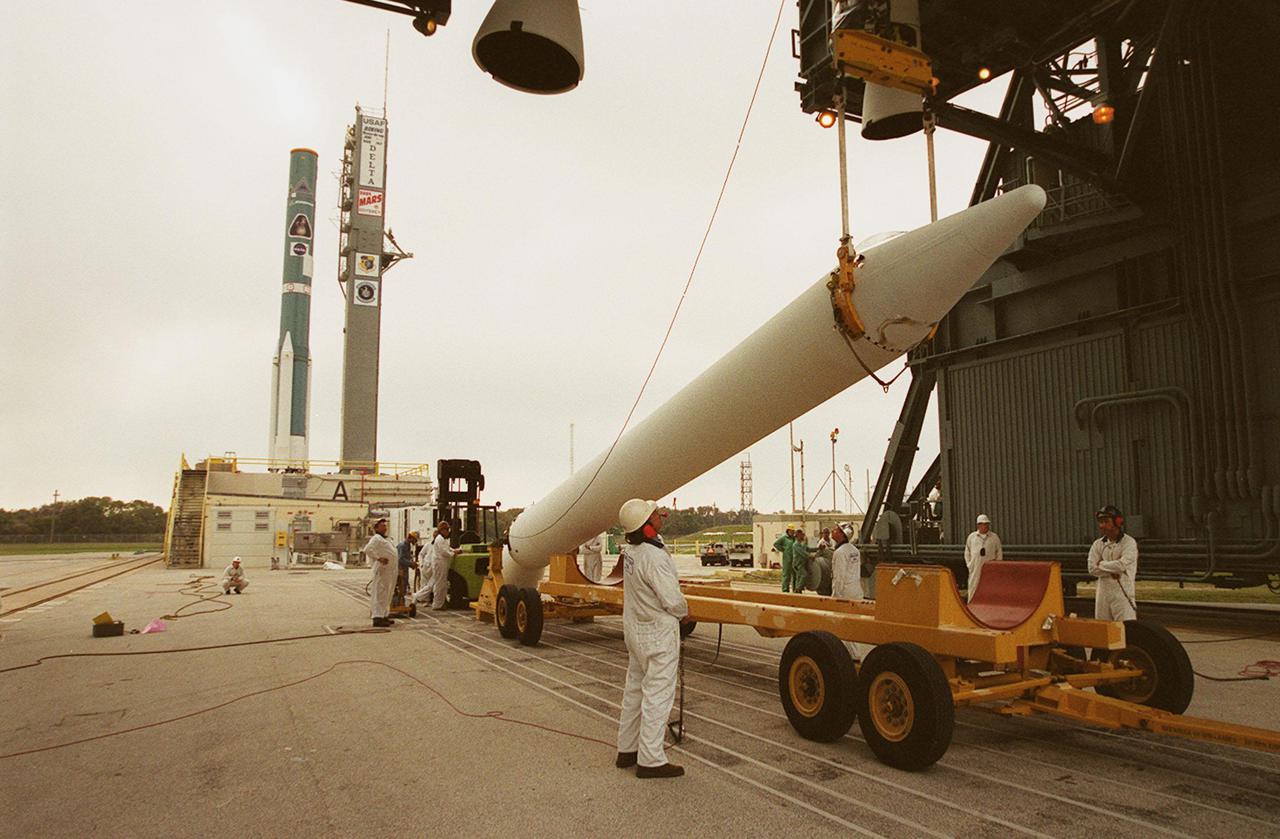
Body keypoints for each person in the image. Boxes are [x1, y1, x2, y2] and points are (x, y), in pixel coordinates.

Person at [614, 498, 687, 779]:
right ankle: (651, 760)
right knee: (657, 695)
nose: (659, 515)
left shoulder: (632, 552)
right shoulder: (653, 557)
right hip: (657, 636)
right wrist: (685, 613)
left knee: (634, 692)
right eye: (654, 514)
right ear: (646, 527)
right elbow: (671, 600)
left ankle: (627, 749)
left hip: (636, 633)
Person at [1088, 505, 1138, 621]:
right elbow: (1091, 569)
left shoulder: (1129, 543)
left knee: (1126, 628)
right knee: (1103, 628)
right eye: (1100, 522)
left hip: (1122, 592)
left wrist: (1101, 564)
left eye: (1106, 522)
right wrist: (1112, 571)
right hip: (1103, 593)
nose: (1102, 526)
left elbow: (1121, 565)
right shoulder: (1098, 544)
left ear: (1117, 522)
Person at [363, 518, 398, 627]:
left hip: (390, 571)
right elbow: (368, 549)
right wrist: (378, 558)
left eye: (385, 525)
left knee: (388, 593)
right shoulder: (376, 538)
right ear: (376, 528)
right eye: (382, 525)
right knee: (380, 593)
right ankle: (377, 617)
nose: (385, 527)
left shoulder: (387, 539)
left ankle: (384, 615)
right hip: (382, 570)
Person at [963, 514, 1004, 601]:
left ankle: (990, 604)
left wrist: (997, 565)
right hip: (975, 566)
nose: (985, 526)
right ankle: (971, 603)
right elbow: (967, 552)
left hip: (990, 567)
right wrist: (969, 564)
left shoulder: (994, 537)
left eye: (987, 524)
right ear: (978, 525)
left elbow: (999, 552)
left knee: (990, 586)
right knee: (973, 585)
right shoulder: (972, 537)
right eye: (983, 524)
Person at [425, 521, 463, 611]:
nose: (448, 531)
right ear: (442, 530)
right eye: (447, 530)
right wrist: (454, 553)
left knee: (440, 584)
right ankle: (438, 604)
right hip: (440, 563)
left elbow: (447, 548)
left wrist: (454, 550)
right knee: (440, 584)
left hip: (441, 563)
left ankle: (439, 603)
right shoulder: (440, 539)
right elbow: (445, 552)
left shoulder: (441, 539)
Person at [829, 523, 862, 601]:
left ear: (842, 534)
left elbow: (839, 577)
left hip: (845, 595)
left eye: (836, 529)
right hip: (856, 592)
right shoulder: (855, 550)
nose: (833, 531)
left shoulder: (840, 552)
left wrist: (835, 596)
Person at [395, 531, 419, 606]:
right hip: (400, 569)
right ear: (411, 538)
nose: (415, 542)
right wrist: (410, 563)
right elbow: (400, 559)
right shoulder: (402, 546)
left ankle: (400, 603)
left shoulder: (408, 546)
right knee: (400, 586)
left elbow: (406, 558)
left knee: (404, 587)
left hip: (404, 569)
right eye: (415, 539)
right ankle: (397, 603)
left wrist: (411, 564)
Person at [788, 529, 812, 594]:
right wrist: (810, 556)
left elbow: (808, 549)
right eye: (802, 535)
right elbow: (802, 552)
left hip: (802, 563)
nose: (803, 536)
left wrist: (818, 548)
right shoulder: (795, 545)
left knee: (799, 577)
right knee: (804, 575)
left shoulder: (802, 544)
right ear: (798, 535)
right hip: (797, 564)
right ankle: (798, 589)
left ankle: (797, 590)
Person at [774, 525, 796, 591]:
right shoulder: (784, 538)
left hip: (795, 560)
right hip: (787, 560)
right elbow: (776, 544)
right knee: (786, 575)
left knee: (795, 575)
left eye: (793, 531)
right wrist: (783, 549)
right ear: (788, 531)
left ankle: (795, 589)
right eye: (791, 531)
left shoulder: (794, 538)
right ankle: (785, 589)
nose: (792, 532)